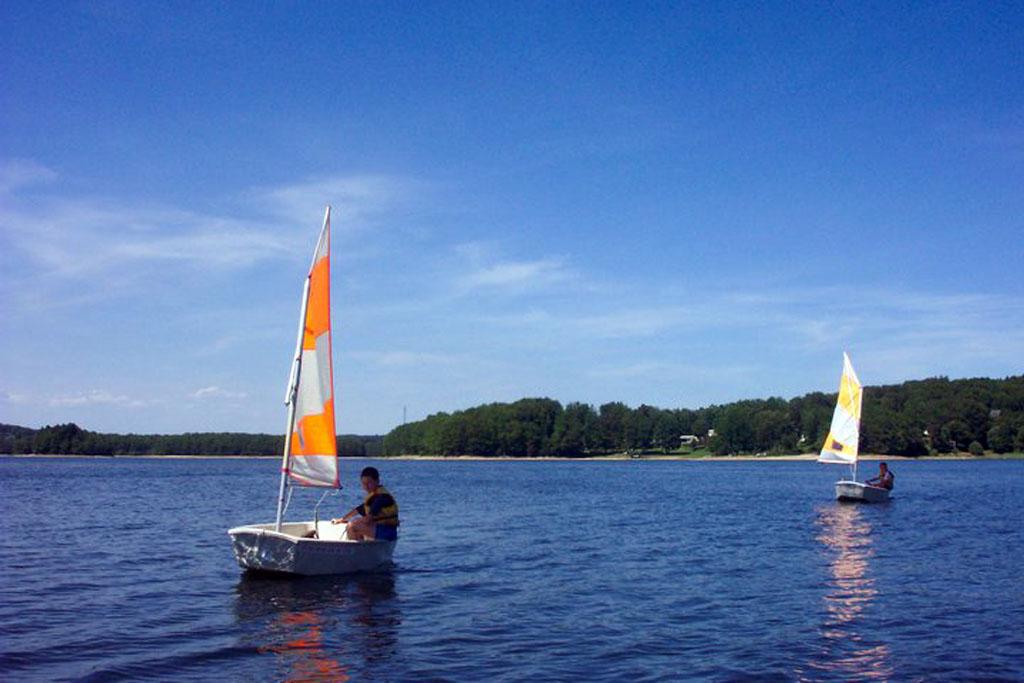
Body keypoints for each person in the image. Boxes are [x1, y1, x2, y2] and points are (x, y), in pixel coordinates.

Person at [331, 466, 399, 541]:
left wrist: (353, 522)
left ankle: (357, 552)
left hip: (387, 532)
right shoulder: (374, 496)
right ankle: (362, 549)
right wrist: (342, 519)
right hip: (380, 529)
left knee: (352, 526)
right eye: (364, 483)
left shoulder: (381, 497)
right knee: (355, 525)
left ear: (377, 481)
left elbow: (368, 520)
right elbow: (359, 509)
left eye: (369, 483)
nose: (366, 486)